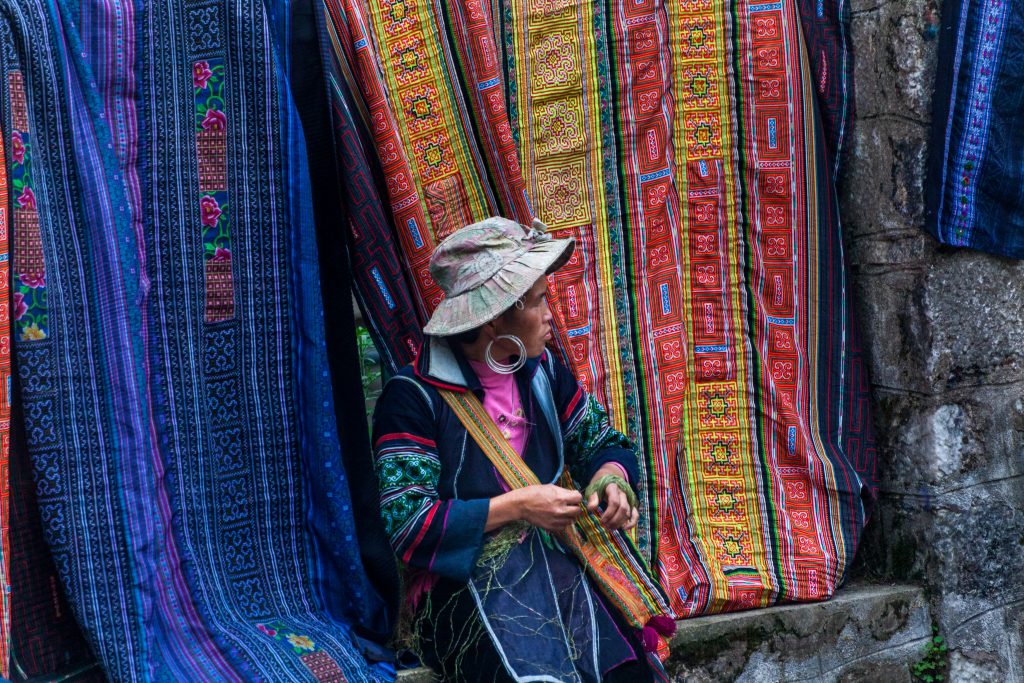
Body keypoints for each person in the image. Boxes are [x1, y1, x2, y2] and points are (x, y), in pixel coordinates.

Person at [371, 217, 673, 682]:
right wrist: (520, 506)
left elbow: (603, 443)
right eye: (538, 302)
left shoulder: (542, 372)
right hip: (457, 588)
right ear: (495, 320)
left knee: (626, 673)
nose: (551, 314)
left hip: (553, 569)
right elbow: (407, 522)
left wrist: (610, 479)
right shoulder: (413, 398)